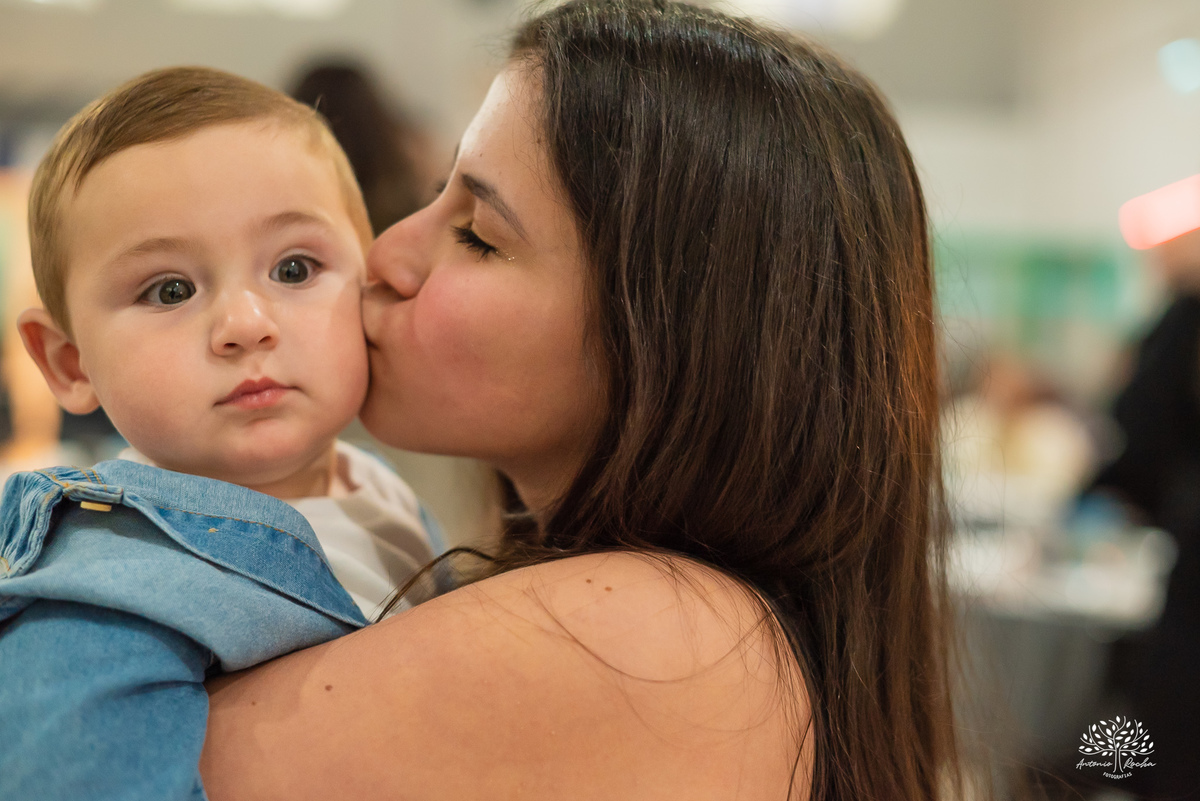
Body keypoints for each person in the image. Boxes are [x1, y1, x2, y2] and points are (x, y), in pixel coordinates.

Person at [200, 2, 965, 800]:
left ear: (675, 336)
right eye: (436, 192)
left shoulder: (670, 635)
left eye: (479, 234)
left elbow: (85, 757)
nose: (386, 253)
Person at [0, 67, 438, 800]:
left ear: (369, 279)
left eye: (294, 268)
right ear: (70, 362)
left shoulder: (377, 487)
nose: (244, 324)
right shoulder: (106, 592)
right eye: (169, 289)